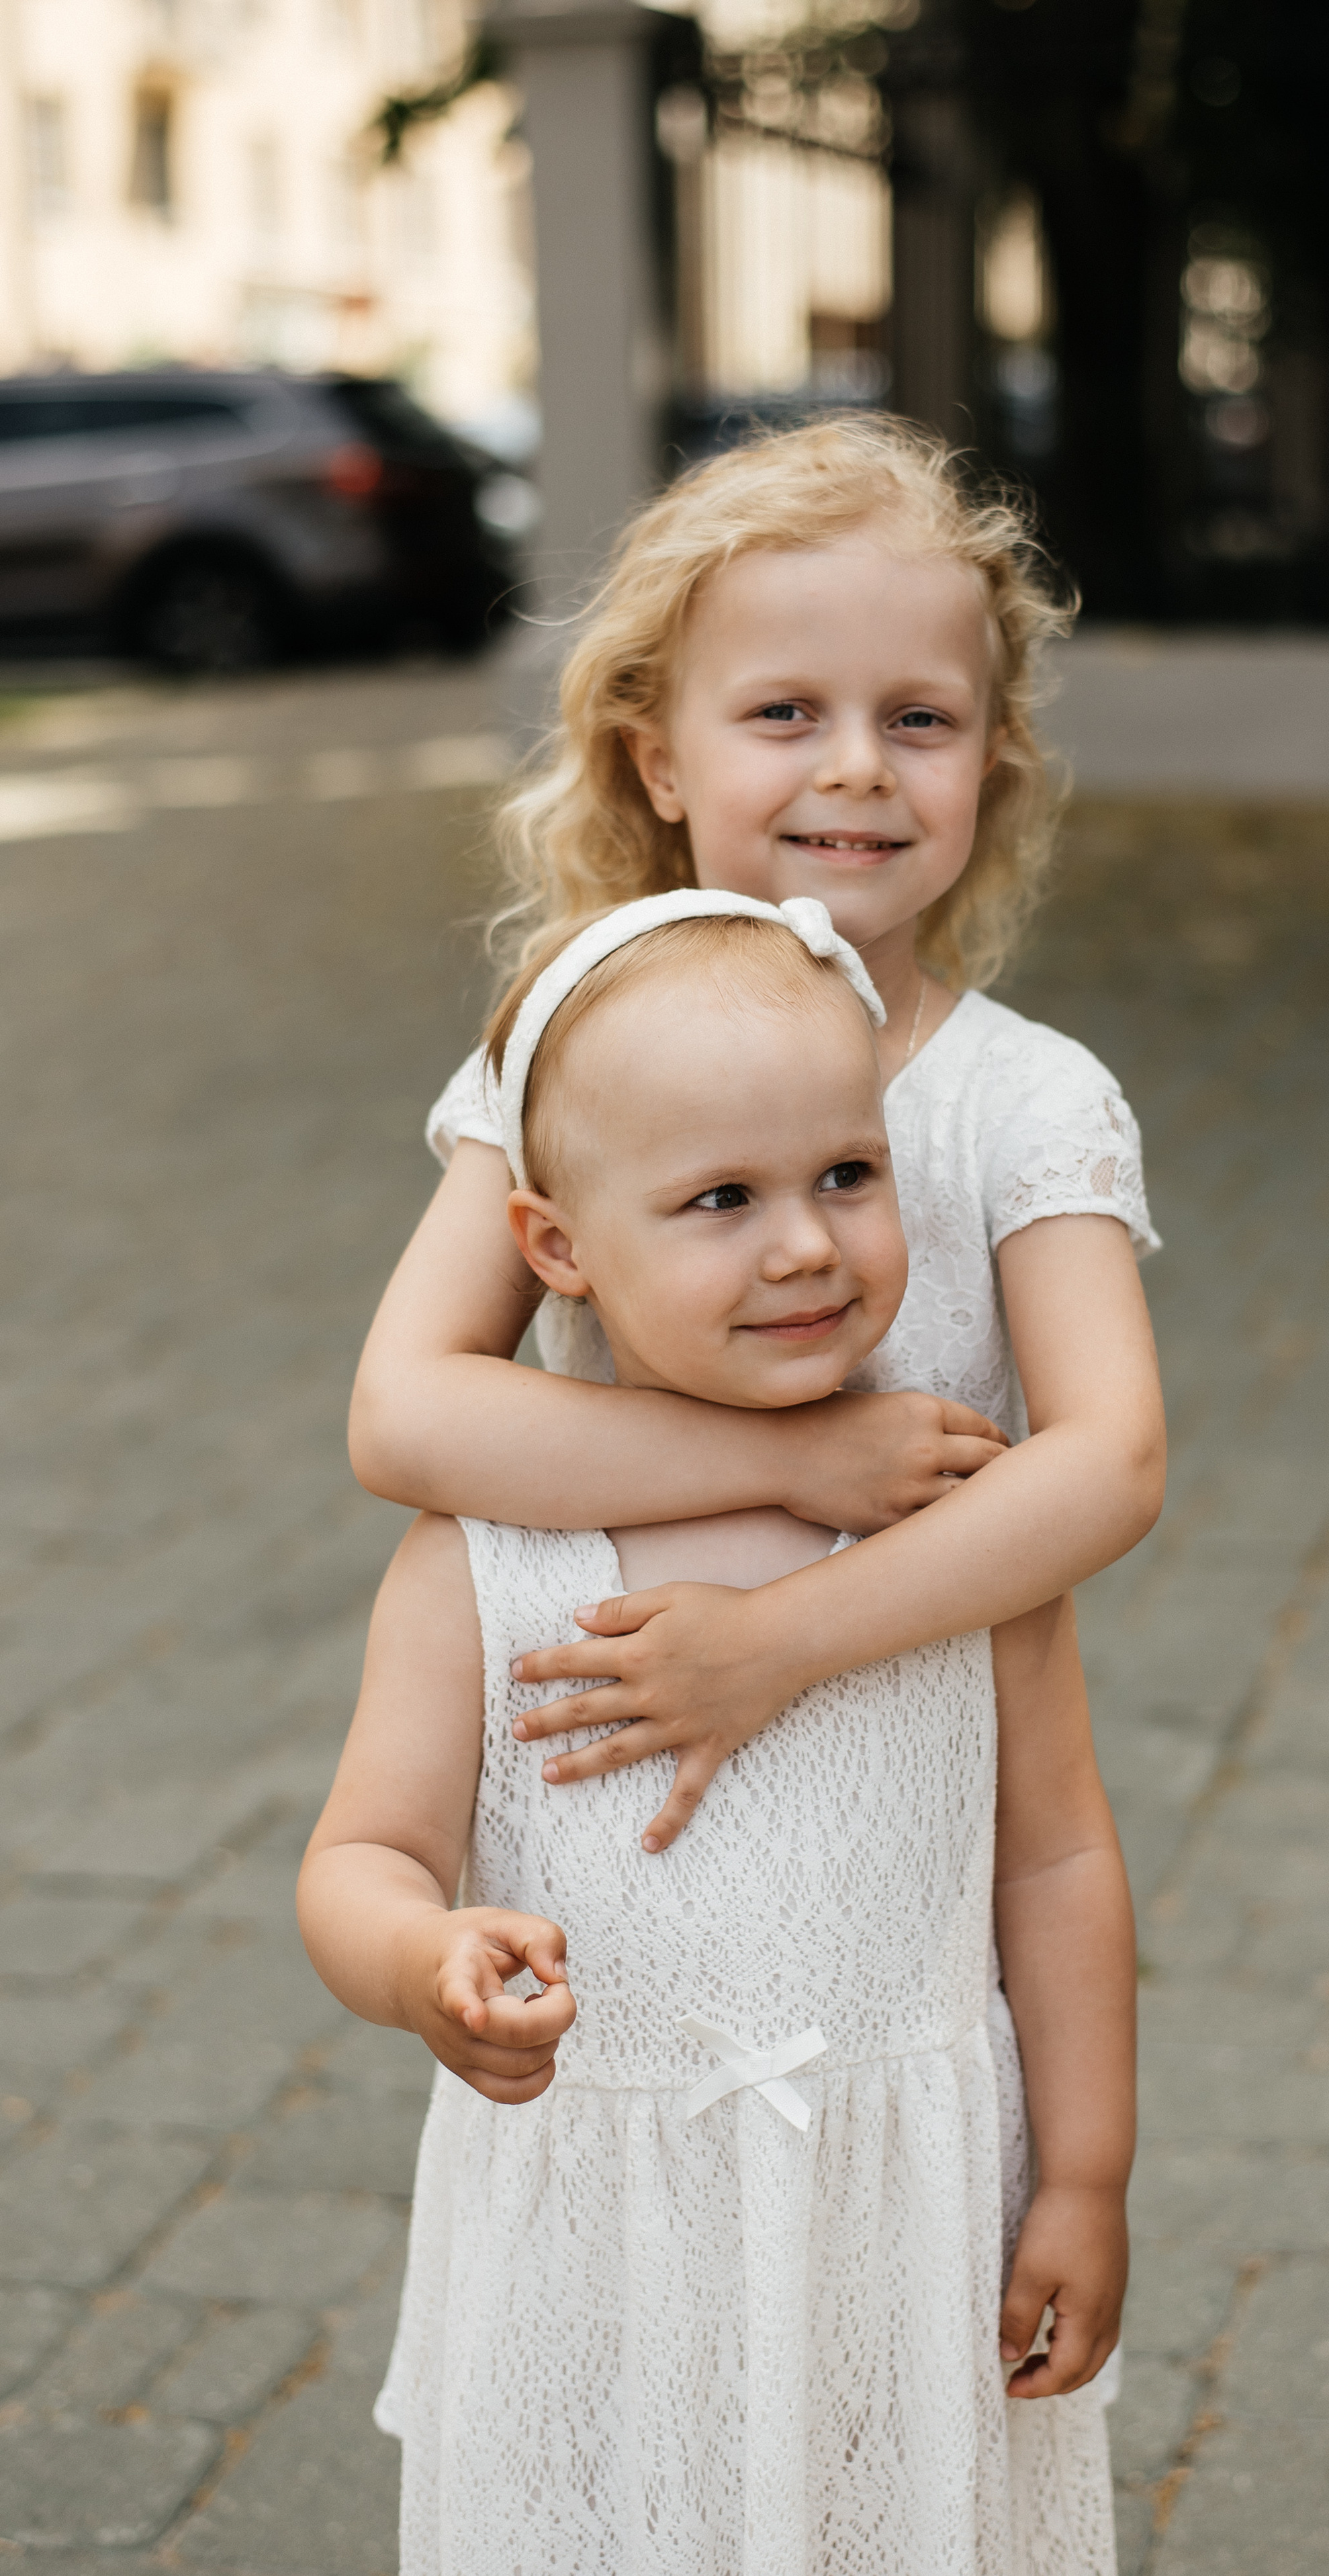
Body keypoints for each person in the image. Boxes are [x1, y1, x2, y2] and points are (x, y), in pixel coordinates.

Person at [299, 897, 1138, 2573]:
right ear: (553, 1246)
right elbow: (362, 1854)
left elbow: (1053, 1853)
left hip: (895, 2233)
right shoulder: (490, 1555)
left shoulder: (957, 1529)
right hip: (604, 2241)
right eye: (719, 1201)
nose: (807, 1244)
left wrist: (1086, 2174)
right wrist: (423, 1959)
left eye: (845, 1172)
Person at [347, 414, 1166, 1853]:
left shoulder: (1027, 1098)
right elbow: (405, 1415)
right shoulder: (564, 1058)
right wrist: (794, 1461)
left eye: (917, 718)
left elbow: (1109, 1463)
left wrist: (781, 1635)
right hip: (626, 1773)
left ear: (990, 757)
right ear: (658, 760)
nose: (855, 766)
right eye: (784, 712)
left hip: (920, 1769)